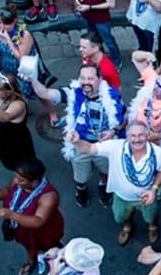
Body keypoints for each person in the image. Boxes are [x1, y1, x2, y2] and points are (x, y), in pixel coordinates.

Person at [29, 64, 126, 208]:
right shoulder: (73, 93)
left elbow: (124, 120)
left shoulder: (113, 96)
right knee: (81, 176)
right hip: (80, 143)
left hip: (104, 146)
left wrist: (113, 132)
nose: (86, 82)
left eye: (90, 78)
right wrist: (32, 79)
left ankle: (103, 187)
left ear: (99, 79)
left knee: (106, 172)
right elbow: (45, 94)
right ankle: (81, 190)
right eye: (83, 78)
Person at [68, 120, 161, 245]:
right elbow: (89, 148)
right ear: (127, 136)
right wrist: (76, 141)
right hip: (121, 197)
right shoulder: (115, 147)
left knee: (150, 216)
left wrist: (154, 189)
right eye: (133, 135)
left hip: (146, 197)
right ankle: (127, 226)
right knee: (120, 217)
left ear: (148, 136)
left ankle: (152, 226)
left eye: (141, 135)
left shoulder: (158, 153)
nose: (137, 139)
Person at [0, 159, 64, 275]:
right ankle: (32, 262)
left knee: (52, 247)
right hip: (23, 228)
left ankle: (61, 264)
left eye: (21, 179)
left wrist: (11, 215)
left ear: (34, 180)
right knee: (28, 245)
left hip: (43, 231)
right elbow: (7, 191)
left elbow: (38, 221)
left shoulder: (49, 196)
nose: (16, 181)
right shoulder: (18, 181)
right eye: (15, 176)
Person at [0, 72, 36, 171]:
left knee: (24, 168)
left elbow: (5, 117)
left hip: (15, 143)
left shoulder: (18, 105)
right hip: (1, 141)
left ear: (8, 92)